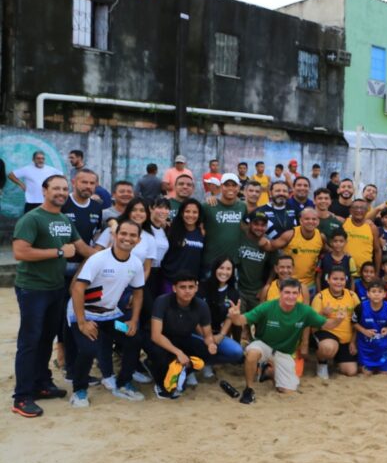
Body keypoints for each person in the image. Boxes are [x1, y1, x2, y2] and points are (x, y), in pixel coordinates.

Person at [12, 172, 96, 404]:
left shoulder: (64, 220)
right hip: (33, 289)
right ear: (44, 191)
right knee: (29, 341)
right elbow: (20, 252)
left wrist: (116, 254)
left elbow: (84, 249)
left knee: (46, 338)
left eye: (63, 189)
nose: (60, 193)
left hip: (56, 288)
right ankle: (22, 396)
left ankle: (41, 384)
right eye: (56, 188)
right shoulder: (32, 218)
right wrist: (59, 252)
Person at [67, 219, 147, 407]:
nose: (127, 238)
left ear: (138, 240)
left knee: (135, 338)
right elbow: (77, 289)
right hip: (83, 314)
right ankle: (79, 391)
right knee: (88, 349)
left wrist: (133, 320)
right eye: (123, 233)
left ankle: (124, 383)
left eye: (132, 235)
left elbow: (138, 293)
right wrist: (82, 322)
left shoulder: (136, 263)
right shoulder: (99, 259)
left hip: (109, 317)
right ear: (115, 235)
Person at [226, 278, 343, 403]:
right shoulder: (267, 307)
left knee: (287, 390)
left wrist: (338, 320)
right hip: (264, 344)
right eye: (287, 292)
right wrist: (235, 316)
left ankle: (268, 371)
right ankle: (249, 389)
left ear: (299, 294)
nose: (291, 296)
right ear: (280, 293)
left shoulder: (305, 311)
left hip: (284, 352)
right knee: (252, 353)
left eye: (294, 293)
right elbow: (241, 320)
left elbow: (327, 325)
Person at [148, 272, 231, 399]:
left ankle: (183, 371)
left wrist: (211, 344)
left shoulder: (201, 305)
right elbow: (156, 336)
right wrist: (178, 353)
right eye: (183, 287)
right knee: (160, 360)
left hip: (184, 338)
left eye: (191, 287)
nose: (187, 291)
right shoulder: (162, 301)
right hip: (162, 341)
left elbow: (207, 335)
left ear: (196, 288)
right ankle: (157, 377)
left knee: (207, 352)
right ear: (174, 288)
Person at [276, 207, 327, 301]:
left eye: (314, 219)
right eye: (307, 219)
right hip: (288, 284)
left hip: (310, 285)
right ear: (301, 221)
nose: (310, 221)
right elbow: (271, 248)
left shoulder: (321, 237)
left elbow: (326, 252)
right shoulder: (290, 235)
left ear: (318, 221)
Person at [200, 173, 245, 276]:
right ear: (220, 187)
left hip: (232, 263)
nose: (230, 188)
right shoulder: (208, 205)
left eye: (234, 185)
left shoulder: (243, 207)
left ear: (238, 188)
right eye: (227, 185)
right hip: (210, 262)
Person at [352, 279, 387, 375]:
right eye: (373, 291)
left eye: (380, 291)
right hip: (366, 350)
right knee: (366, 373)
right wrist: (364, 331)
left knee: (384, 374)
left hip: (383, 351)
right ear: (368, 293)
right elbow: (354, 323)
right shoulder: (360, 307)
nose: (376, 294)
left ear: (384, 294)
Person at [161, 200, 205, 290]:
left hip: (190, 283)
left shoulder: (202, 233)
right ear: (181, 213)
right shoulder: (171, 230)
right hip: (171, 281)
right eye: (187, 211)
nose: (191, 215)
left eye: (195, 212)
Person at [342, 198, 381, 273]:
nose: (359, 210)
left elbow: (377, 251)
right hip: (344, 272)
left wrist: (377, 273)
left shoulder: (372, 227)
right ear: (350, 210)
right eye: (356, 207)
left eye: (362, 208)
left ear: (367, 211)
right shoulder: (344, 223)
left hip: (365, 274)